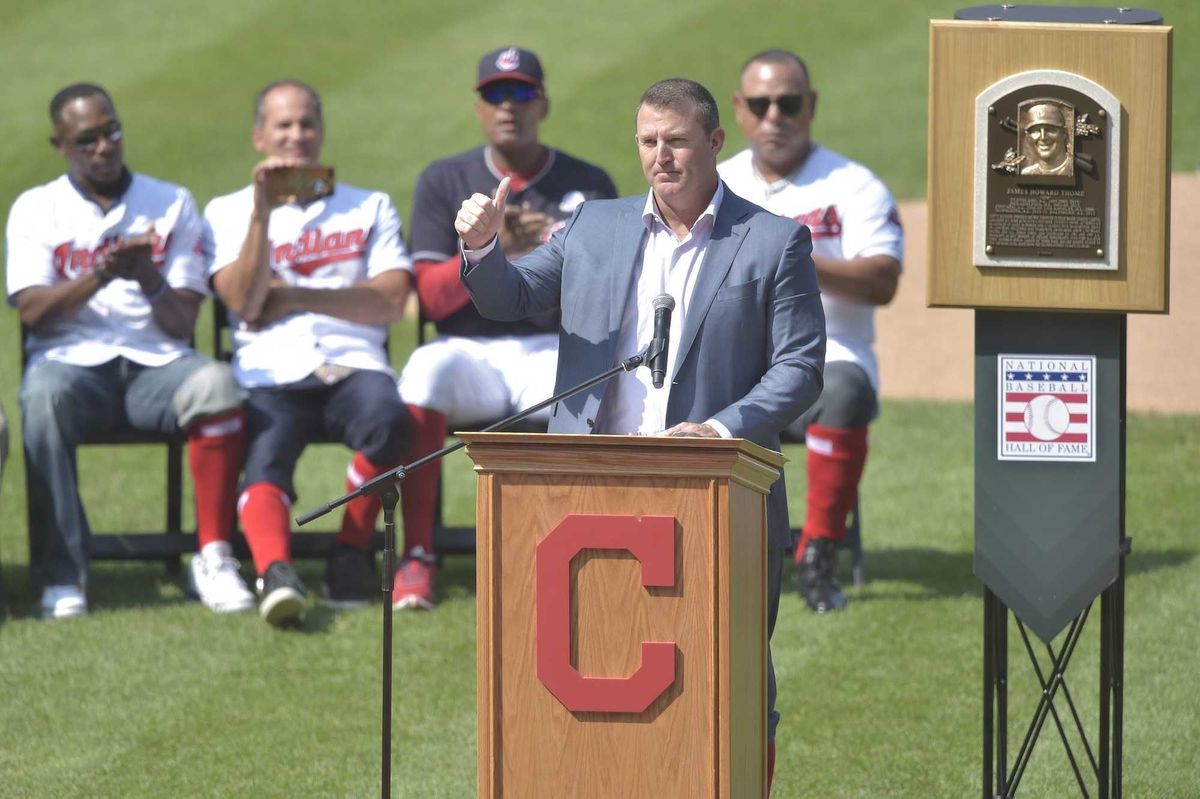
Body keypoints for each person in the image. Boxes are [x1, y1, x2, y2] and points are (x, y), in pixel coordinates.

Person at [456, 77, 825, 795]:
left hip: (720, 494)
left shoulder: (774, 241)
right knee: (589, 682)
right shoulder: (596, 225)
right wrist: (482, 251)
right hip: (586, 493)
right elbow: (514, 297)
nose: (663, 157)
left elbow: (800, 368)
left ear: (716, 143)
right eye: (650, 142)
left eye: (678, 141)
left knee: (734, 689)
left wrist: (719, 431)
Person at [6, 83, 251, 619]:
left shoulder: (171, 201)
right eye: (87, 138)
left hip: (157, 366)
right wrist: (100, 274)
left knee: (218, 384)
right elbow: (32, 313)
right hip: (71, 366)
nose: (103, 146)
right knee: (41, 399)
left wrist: (147, 277)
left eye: (111, 131)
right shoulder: (35, 209)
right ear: (60, 144)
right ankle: (63, 575)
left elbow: (184, 319)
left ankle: (214, 555)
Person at [395, 46, 617, 610]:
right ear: (479, 106)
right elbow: (430, 298)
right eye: (496, 94)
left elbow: (614, 293)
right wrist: (492, 247)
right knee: (422, 370)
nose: (508, 106)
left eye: (521, 93)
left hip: (552, 345)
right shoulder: (445, 180)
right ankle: (416, 556)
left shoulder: (588, 184)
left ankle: (570, 553)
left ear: (542, 102)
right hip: (466, 349)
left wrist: (556, 251)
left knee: (587, 389)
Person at [204, 80, 414, 626]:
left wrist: (293, 294)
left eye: (306, 124)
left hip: (354, 364)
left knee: (390, 422)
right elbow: (243, 302)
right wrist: (261, 212)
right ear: (259, 137)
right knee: (265, 459)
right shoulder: (227, 212)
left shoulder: (370, 206)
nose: (297, 136)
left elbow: (391, 301)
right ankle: (275, 572)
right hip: (269, 368)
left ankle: (349, 555)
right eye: (283, 125)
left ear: (321, 131)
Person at [719, 50, 903, 614]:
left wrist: (795, 256)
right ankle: (693, 549)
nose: (775, 115)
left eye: (789, 102)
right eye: (761, 103)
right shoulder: (718, 182)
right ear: (740, 111)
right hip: (734, 363)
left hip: (828, 358)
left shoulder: (852, 184)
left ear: (811, 106)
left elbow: (883, 278)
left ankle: (817, 551)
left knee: (846, 391)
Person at [1020, 102, 1072, 176]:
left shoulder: (1074, 169)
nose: (1043, 137)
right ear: (1028, 136)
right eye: (1036, 131)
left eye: (1050, 129)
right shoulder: (1026, 174)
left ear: (1064, 133)